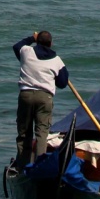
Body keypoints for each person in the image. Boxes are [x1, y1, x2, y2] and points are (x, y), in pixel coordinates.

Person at [12, 31, 68, 170]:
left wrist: (32, 38)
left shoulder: (26, 52)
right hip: (45, 97)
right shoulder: (57, 60)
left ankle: (22, 166)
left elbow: (16, 46)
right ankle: (40, 166)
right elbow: (63, 83)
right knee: (42, 133)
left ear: (37, 42)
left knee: (24, 132)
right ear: (51, 43)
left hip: (26, 96)